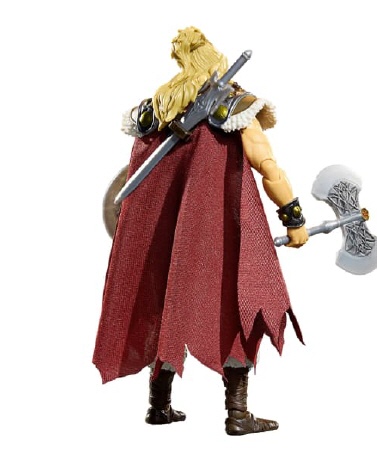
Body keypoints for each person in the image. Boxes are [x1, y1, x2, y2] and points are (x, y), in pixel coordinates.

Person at [93, 26, 308, 436]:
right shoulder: (232, 105)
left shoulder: (154, 111)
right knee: (239, 302)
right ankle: (238, 415)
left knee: (164, 305)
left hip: (164, 240)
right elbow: (266, 164)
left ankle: (159, 406)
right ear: (215, 63)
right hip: (215, 235)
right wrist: (293, 217)